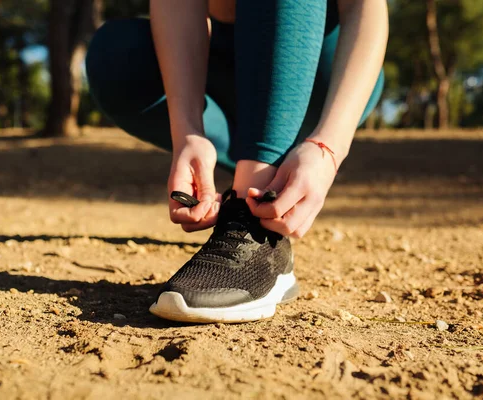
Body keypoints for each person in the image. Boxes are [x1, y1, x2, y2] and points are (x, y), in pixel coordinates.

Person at [85, 0, 388, 323]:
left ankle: (257, 216)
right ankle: (255, 175)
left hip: (319, 68)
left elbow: (364, 7)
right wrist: (188, 133)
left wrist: (329, 145)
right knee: (116, 53)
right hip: (221, 69)